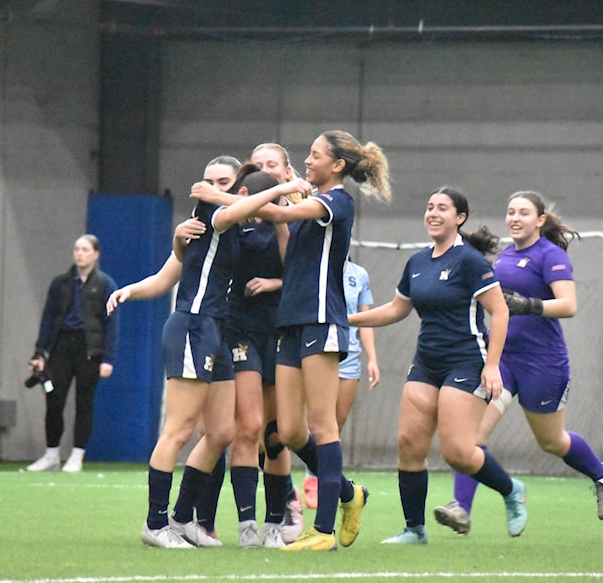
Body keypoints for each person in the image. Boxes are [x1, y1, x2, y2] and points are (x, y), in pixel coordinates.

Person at [195, 130, 392, 551]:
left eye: (316, 155)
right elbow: (282, 221)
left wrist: (220, 200)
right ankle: (349, 494)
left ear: (337, 165)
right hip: (289, 324)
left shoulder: (336, 202)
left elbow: (280, 216)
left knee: (322, 426)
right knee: (287, 431)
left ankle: (322, 532)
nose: (308, 160)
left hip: (321, 320)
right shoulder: (305, 203)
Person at [108, 157, 310, 549]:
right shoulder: (212, 215)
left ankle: (184, 520)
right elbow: (169, 274)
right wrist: (283, 189)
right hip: (193, 326)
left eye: (223, 181)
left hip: (217, 331)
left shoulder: (237, 228)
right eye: (208, 181)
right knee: (179, 429)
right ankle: (155, 523)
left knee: (221, 432)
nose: (212, 187)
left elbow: (175, 268)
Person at [348, 187, 528, 545]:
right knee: (409, 442)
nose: (432, 213)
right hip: (426, 362)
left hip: (466, 361)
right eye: (429, 207)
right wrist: (345, 319)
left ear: (459, 218)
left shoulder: (469, 261)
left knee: (458, 452)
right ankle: (414, 529)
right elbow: (397, 309)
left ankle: (512, 491)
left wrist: (492, 366)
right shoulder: (417, 262)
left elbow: (501, 311)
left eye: (442, 208)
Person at [435, 190, 603, 535]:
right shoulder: (505, 257)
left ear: (540, 220)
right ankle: (462, 508)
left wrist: (528, 305)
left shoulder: (550, 256)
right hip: (501, 361)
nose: (515, 218)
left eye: (523, 213)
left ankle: (601, 474)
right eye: (510, 212)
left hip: (543, 364)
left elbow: (569, 305)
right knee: (471, 435)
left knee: (552, 442)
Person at [26, 234, 119, 474]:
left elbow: (111, 324)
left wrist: (108, 358)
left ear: (96, 254)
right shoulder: (61, 283)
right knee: (54, 400)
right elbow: (48, 319)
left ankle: (77, 455)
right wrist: (39, 352)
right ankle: (52, 454)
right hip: (61, 347)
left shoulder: (105, 284)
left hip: (89, 349)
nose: (79, 253)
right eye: (77, 249)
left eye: (85, 249)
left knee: (84, 403)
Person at [301, 257, 380, 509]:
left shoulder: (360, 274)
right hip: (318, 350)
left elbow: (364, 319)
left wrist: (372, 359)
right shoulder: (314, 266)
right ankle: (312, 478)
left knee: (336, 424)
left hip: (349, 355)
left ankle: (324, 479)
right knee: (312, 423)